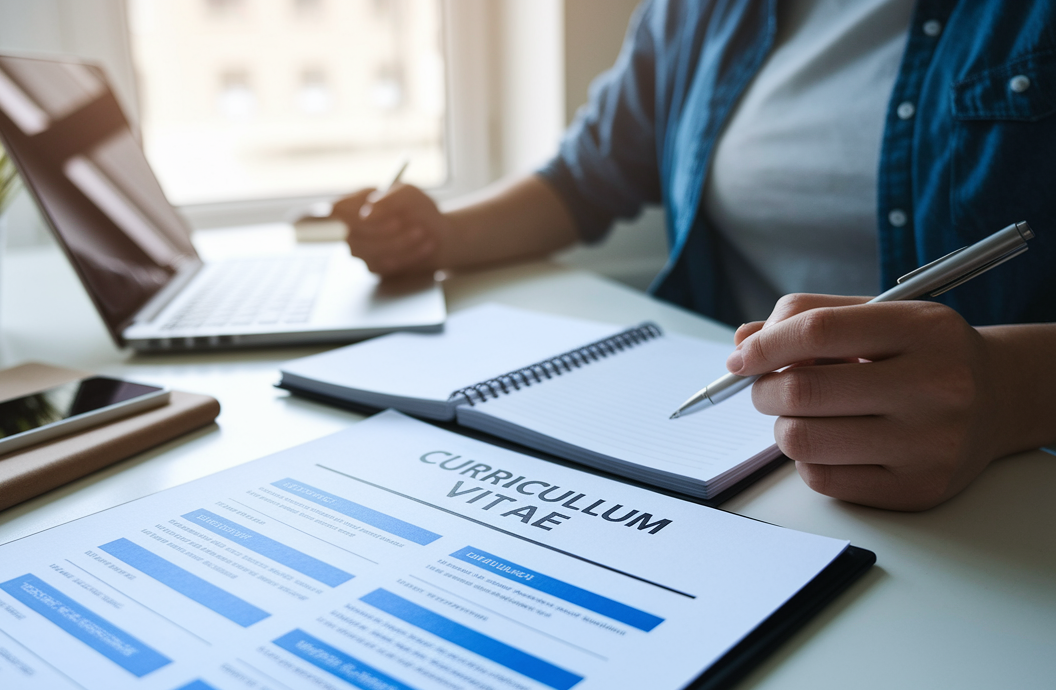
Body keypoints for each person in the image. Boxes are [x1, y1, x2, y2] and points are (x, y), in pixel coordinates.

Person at [331, 0, 1056, 512]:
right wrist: (442, 235)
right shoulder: (696, 10)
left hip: (1008, 491)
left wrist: (1012, 391)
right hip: (745, 461)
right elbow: (587, 176)